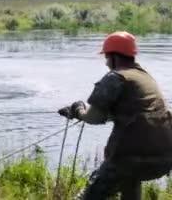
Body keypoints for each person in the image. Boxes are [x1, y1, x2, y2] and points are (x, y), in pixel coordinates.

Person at [58, 31, 172, 199]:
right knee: (130, 181)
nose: (106, 63)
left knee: (89, 196)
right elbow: (135, 113)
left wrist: (77, 110)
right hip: (163, 158)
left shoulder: (115, 77)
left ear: (114, 57)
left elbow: (94, 117)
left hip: (129, 158)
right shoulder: (144, 76)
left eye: (106, 57)